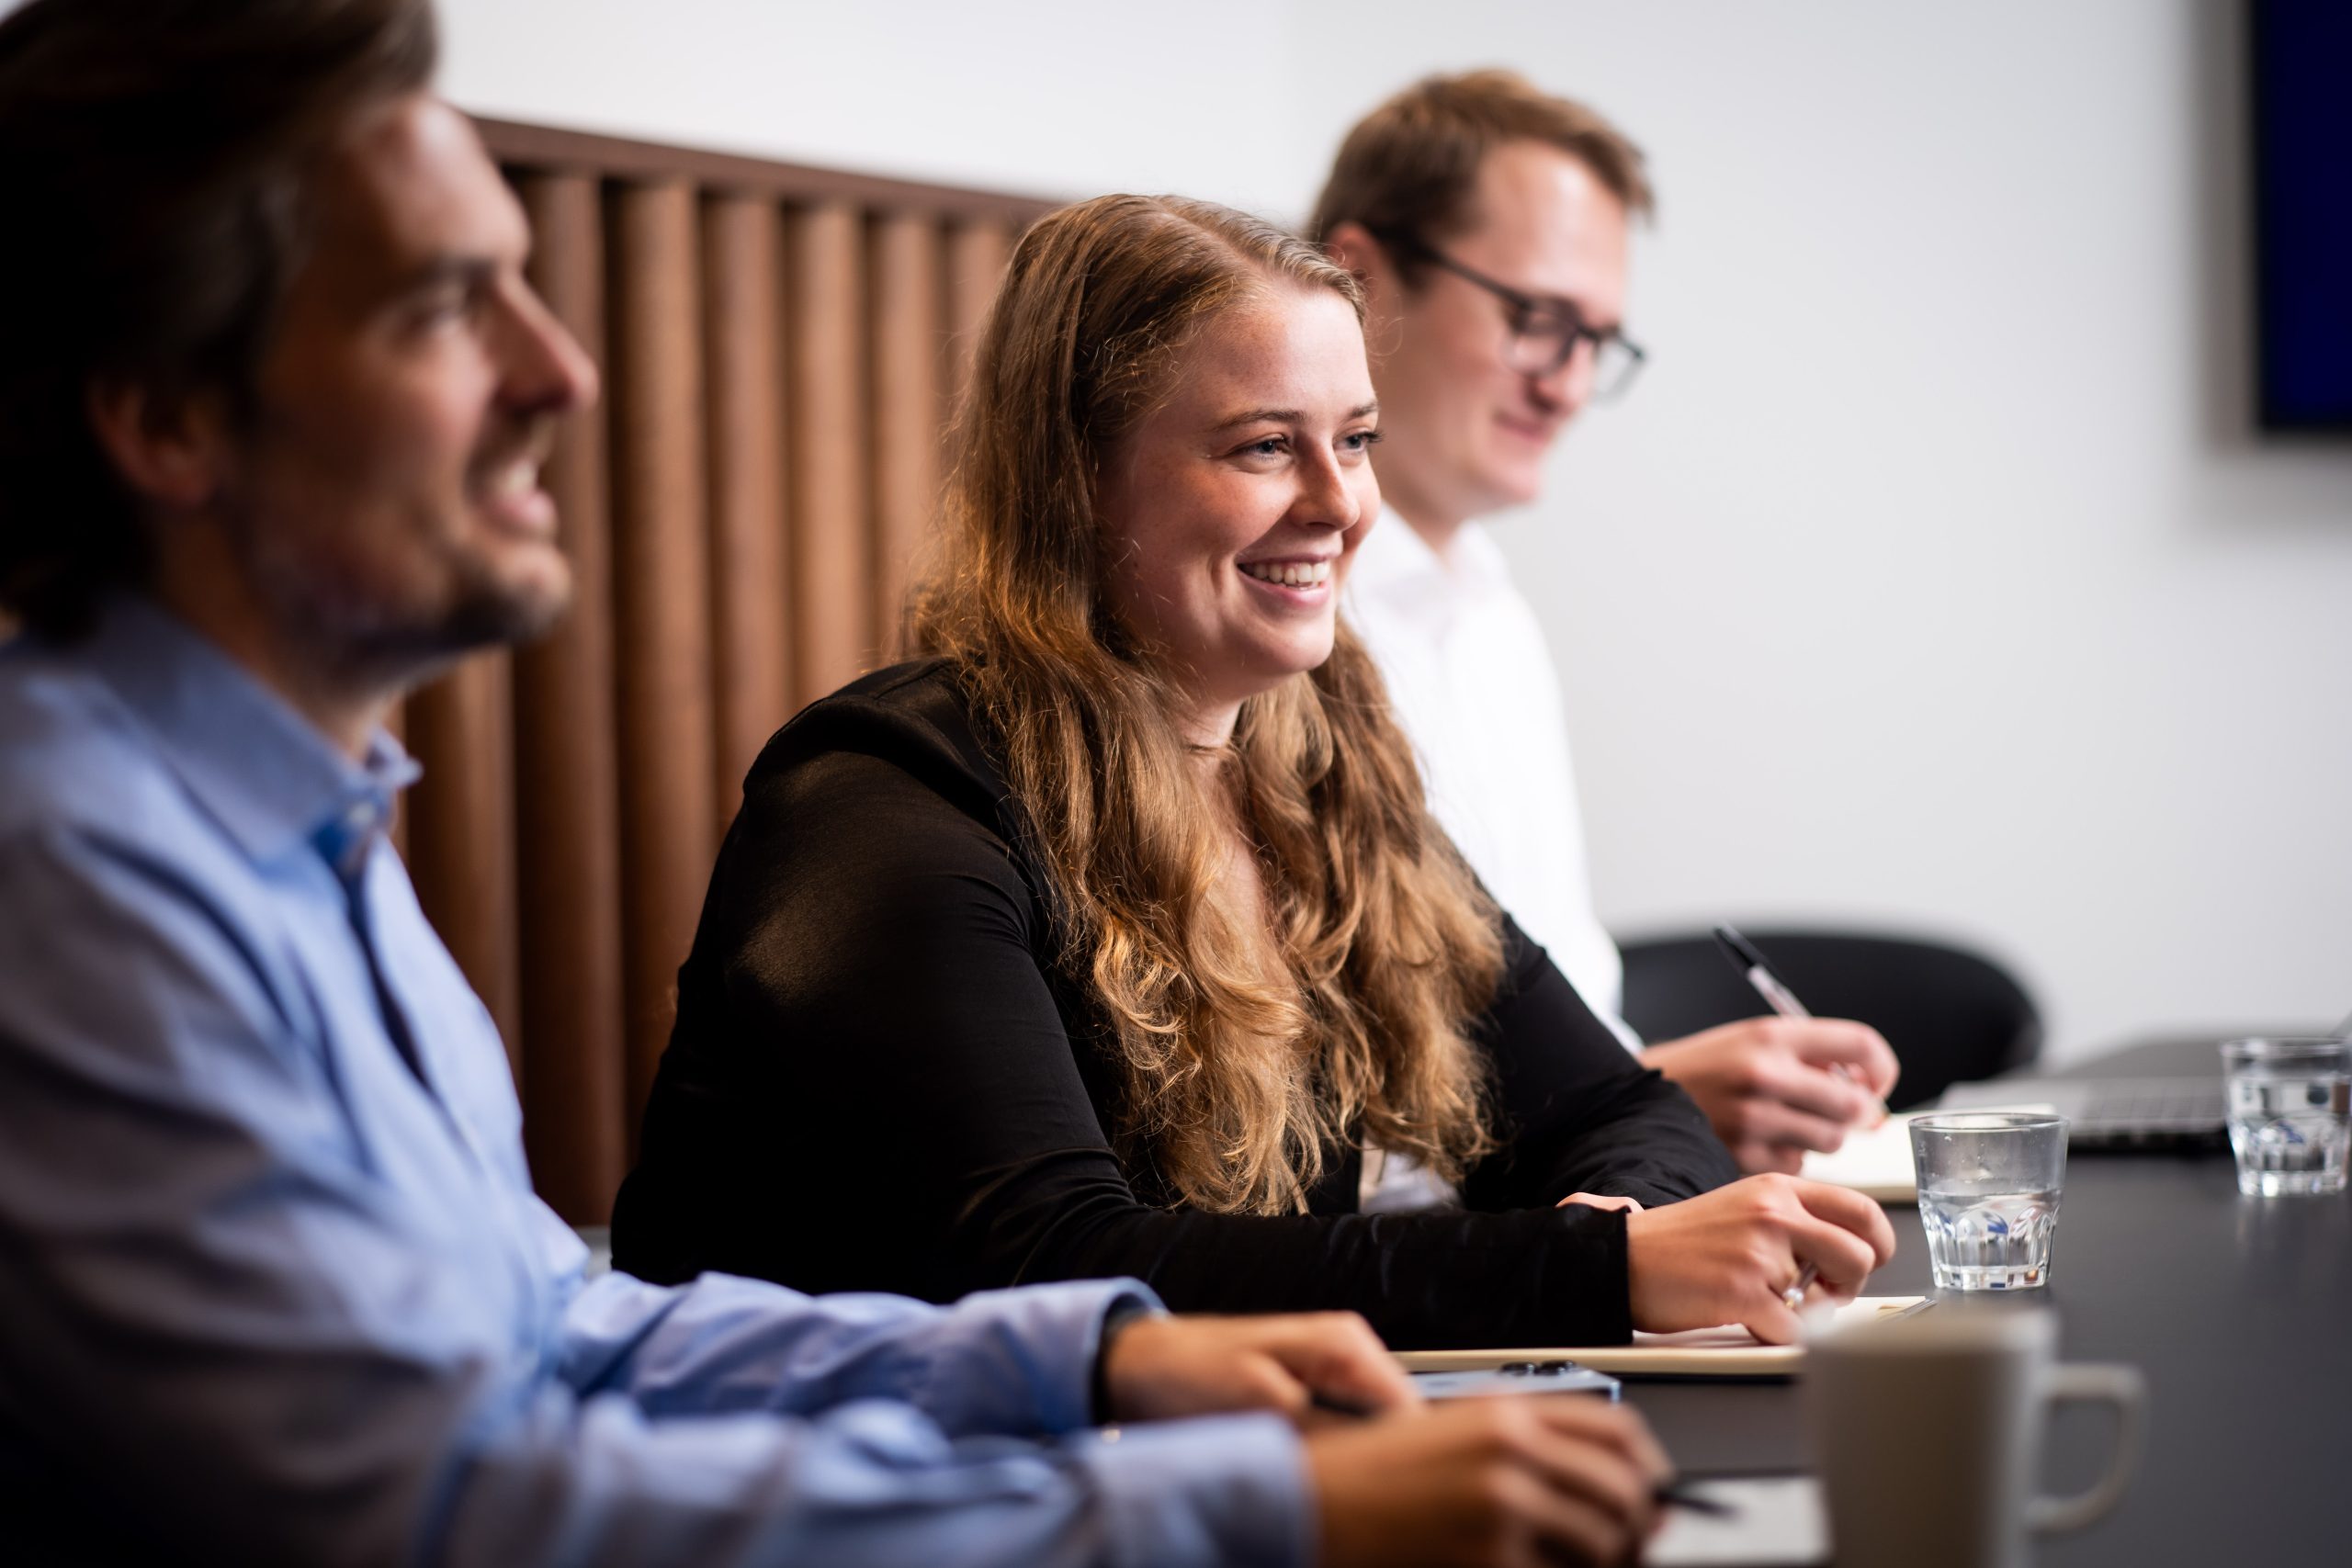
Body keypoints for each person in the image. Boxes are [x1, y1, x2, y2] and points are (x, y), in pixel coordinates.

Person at [0, 5, 1682, 1564]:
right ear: (166, 418)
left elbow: (562, 1331)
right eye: (447, 305)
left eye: (1355, 437)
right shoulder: (66, 874)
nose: (562, 373)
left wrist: (1097, 1369)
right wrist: (1245, 1495)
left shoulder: (314, 833)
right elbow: (443, 1501)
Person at [612, 194, 1894, 1352]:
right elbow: (1057, 1269)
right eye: (1265, 447)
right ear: (1078, 480)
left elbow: (1620, 1103)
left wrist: (1629, 1226)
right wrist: (1587, 1266)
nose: (1342, 504)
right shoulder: (881, 804)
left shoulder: (1319, 759)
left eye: (1358, 437)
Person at [1310, 71, 1903, 1176]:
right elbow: (1304, 1130)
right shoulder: (1275, 632)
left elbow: (1547, 1029)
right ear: (1358, 278)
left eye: (1597, 341)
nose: (1568, 385)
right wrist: (1654, 1102)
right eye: (1537, 321)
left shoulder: (1492, 620)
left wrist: (1651, 1096)